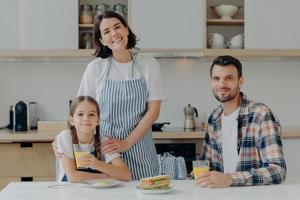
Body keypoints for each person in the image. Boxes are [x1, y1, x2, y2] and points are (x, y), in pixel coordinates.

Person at [53, 11, 165, 180]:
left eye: (117, 27)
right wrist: (64, 139)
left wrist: (126, 143)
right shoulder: (95, 68)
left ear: (126, 30)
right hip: (105, 153)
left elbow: (153, 111)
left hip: (141, 150)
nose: (114, 34)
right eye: (106, 31)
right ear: (101, 40)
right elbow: (80, 110)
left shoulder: (148, 64)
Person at [197, 55, 287, 188]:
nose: (222, 84)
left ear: (240, 81)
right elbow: (206, 166)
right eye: (217, 78)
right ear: (211, 81)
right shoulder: (214, 118)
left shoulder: (261, 115)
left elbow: (278, 171)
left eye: (229, 78)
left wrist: (230, 179)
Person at [57, 96, 131, 182]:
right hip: (71, 191)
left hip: (97, 192)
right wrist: (106, 177)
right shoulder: (65, 137)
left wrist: (97, 164)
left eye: (91, 114)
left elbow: (126, 175)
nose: (86, 118)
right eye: (80, 114)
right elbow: (73, 177)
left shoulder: (103, 140)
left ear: (98, 120)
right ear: (71, 120)